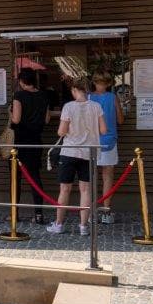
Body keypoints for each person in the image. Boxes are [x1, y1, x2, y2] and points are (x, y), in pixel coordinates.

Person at [48, 77, 106, 236]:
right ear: (86, 90)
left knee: (64, 189)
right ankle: (83, 226)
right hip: (89, 152)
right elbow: (103, 130)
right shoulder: (96, 107)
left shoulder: (68, 107)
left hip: (70, 151)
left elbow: (61, 132)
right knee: (85, 190)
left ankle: (59, 224)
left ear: (74, 90)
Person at [10, 68, 52, 224]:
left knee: (16, 177)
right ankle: (39, 214)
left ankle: (15, 214)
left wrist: (10, 114)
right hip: (35, 140)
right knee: (34, 177)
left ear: (21, 82)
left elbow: (16, 119)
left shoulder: (19, 95)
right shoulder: (44, 95)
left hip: (20, 140)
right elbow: (47, 119)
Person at [88, 73, 126, 225]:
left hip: (91, 141)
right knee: (107, 177)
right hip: (109, 140)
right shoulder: (113, 98)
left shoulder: (88, 98)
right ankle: (105, 211)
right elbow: (120, 120)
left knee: (90, 177)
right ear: (108, 84)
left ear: (94, 82)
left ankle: (91, 213)